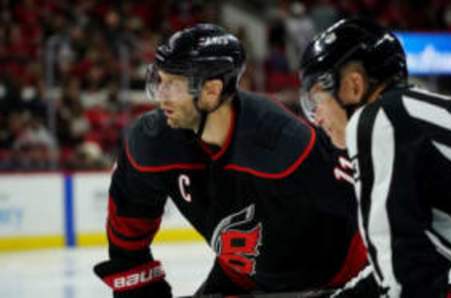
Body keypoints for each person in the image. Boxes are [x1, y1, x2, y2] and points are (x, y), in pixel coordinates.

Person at [93, 23, 367, 297]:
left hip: (333, 277)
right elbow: (128, 223)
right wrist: (138, 285)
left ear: (211, 91)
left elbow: (358, 210)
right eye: (159, 81)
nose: (161, 95)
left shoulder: (282, 141)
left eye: (173, 85)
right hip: (244, 273)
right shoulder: (152, 140)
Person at [299, 18, 451, 298]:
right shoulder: (417, 116)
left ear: (353, 86)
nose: (317, 117)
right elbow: (425, 254)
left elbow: (403, 275)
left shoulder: (378, 121)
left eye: (317, 100)